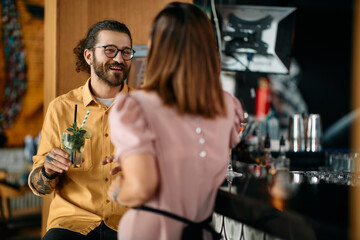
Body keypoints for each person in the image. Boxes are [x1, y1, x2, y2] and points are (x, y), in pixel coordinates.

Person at [104, 2, 244, 240]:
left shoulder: (135, 107)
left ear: (155, 48)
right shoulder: (228, 106)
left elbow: (142, 187)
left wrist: (117, 190)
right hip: (200, 232)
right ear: (208, 49)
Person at [28, 20, 136, 239]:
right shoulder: (61, 108)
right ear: (89, 56)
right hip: (72, 222)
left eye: (126, 52)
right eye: (110, 50)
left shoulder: (146, 107)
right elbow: (40, 188)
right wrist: (48, 170)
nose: (119, 59)